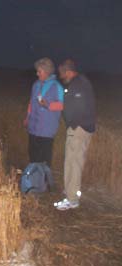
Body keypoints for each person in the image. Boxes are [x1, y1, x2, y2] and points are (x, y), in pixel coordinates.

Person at [54, 59, 96, 211]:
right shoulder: (81, 82)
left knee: (73, 163)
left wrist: (72, 124)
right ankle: (71, 192)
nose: (60, 76)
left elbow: (77, 106)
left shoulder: (78, 84)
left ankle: (72, 199)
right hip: (81, 128)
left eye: (61, 73)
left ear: (68, 71)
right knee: (74, 162)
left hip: (78, 129)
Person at [24, 57, 64, 167]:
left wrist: (47, 105)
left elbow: (62, 105)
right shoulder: (35, 85)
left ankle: (44, 183)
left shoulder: (57, 87)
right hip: (33, 128)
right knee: (33, 157)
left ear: (47, 72)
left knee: (44, 160)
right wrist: (28, 117)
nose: (37, 73)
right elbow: (31, 103)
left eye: (39, 71)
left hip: (46, 130)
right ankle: (33, 181)